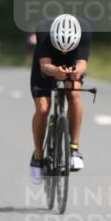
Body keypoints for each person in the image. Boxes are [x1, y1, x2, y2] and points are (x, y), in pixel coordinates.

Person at [29, 14, 91, 183]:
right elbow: (44, 65)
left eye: (67, 48)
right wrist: (54, 72)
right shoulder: (43, 29)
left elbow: (82, 63)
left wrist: (76, 72)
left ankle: (74, 149)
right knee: (42, 108)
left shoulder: (84, 29)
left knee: (74, 94)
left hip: (71, 62)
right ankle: (38, 155)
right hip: (47, 64)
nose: (63, 50)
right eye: (61, 47)